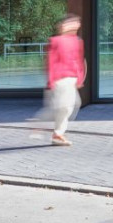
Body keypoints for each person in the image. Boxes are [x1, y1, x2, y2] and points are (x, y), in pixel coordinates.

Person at [46, 14, 86, 146]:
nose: (75, 25)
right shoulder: (55, 41)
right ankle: (57, 134)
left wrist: (79, 78)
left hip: (71, 79)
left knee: (73, 104)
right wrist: (51, 81)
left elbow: (78, 60)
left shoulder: (77, 41)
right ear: (62, 26)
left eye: (76, 23)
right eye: (71, 23)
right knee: (65, 107)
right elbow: (51, 62)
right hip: (61, 78)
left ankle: (51, 128)